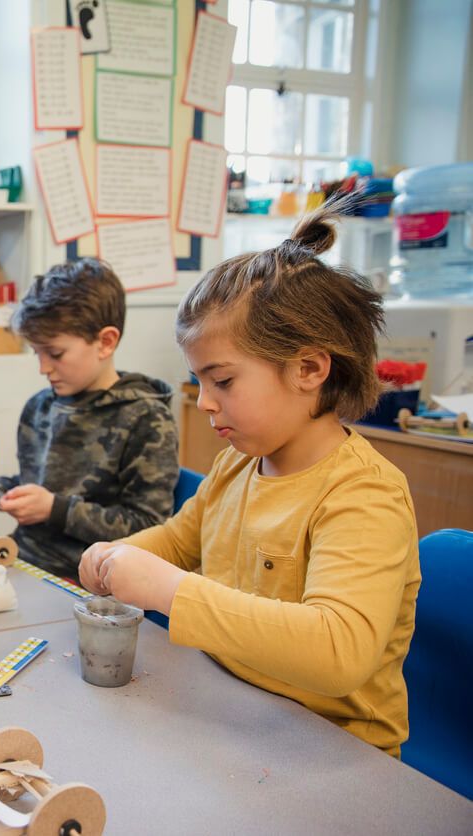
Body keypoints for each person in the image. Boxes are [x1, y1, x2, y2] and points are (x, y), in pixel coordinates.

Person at [79, 206, 420, 756]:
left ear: (309, 369)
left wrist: (172, 591)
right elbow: (179, 541)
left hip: (332, 749)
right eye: (199, 381)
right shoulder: (239, 462)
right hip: (229, 709)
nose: (206, 403)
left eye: (224, 381)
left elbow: (338, 652)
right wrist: (114, 555)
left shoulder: (364, 494)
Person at [0, 258, 178, 578]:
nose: (43, 368)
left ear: (106, 342)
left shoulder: (146, 418)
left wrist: (54, 510)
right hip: (22, 560)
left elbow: (148, 529)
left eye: (55, 354)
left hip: (87, 580)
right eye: (37, 353)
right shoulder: (40, 407)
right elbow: (37, 487)